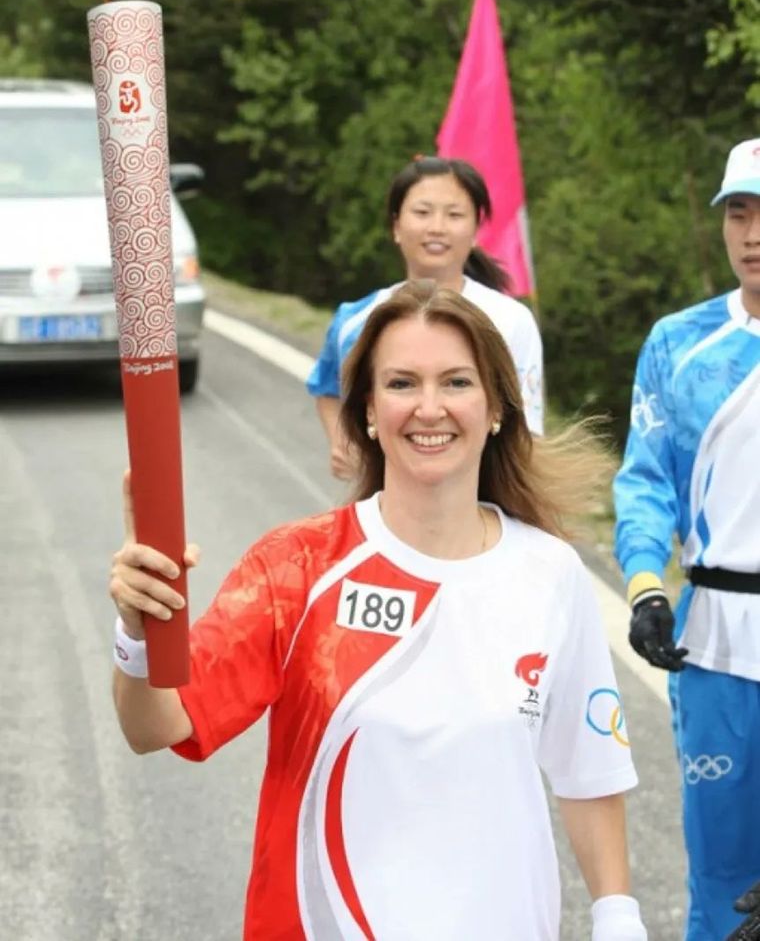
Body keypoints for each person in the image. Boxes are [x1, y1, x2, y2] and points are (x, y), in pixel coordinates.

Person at [111, 281, 646, 940]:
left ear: (497, 408)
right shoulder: (298, 567)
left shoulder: (551, 574)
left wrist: (618, 917)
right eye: (401, 383)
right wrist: (139, 633)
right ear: (367, 410)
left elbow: (590, 771)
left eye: (456, 382)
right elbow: (155, 724)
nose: (429, 407)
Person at [613, 137, 760, 940]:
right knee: (722, 875)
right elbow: (645, 481)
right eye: (739, 212)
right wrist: (645, 588)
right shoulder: (678, 342)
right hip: (716, 641)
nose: (753, 233)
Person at [307, 155, 543, 478]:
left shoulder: (510, 320)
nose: (437, 228)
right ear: (396, 226)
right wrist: (343, 442)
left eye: (454, 215)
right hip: (380, 498)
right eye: (422, 212)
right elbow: (327, 388)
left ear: (476, 230)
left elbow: (527, 432)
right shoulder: (356, 319)